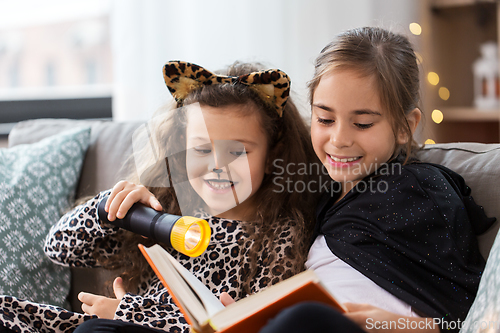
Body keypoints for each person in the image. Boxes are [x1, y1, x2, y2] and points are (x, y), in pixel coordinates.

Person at [0, 60, 320, 333]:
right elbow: (59, 248)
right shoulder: (163, 213)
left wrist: (127, 314)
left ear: (271, 155)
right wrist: (108, 207)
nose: (217, 166)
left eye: (237, 151)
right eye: (201, 149)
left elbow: (244, 323)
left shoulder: (278, 235)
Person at [256, 27, 495, 333]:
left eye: (362, 123)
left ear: (404, 127)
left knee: (301, 318)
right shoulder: (321, 199)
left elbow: (468, 314)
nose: (339, 139)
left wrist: (399, 326)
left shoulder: (418, 191)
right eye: (325, 119)